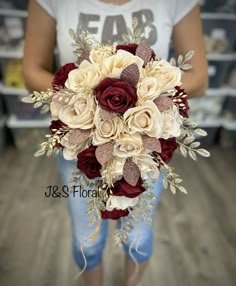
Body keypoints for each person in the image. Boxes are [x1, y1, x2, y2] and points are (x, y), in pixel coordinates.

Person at [22, 1, 208, 286]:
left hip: (144, 148)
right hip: (81, 146)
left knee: (138, 237)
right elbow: (32, 70)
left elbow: (198, 77)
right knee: (88, 239)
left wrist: (144, 98)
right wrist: (89, 104)